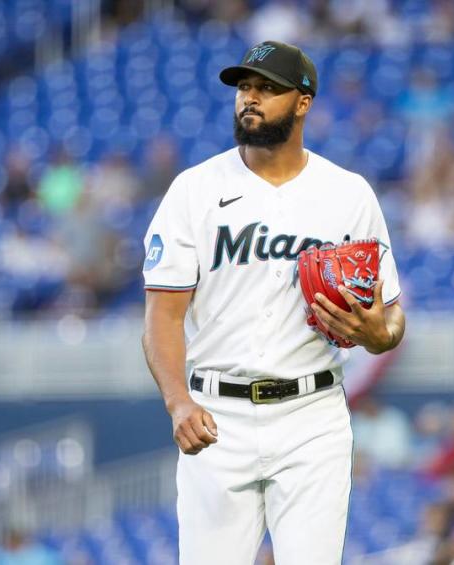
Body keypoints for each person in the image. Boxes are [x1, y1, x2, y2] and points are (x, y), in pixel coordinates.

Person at [141, 40, 405, 565]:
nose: (250, 98)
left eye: (267, 88)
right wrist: (177, 402)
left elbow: (391, 314)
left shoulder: (348, 194)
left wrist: (380, 335)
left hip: (313, 415)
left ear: (303, 102)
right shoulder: (194, 191)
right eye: (244, 87)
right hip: (216, 416)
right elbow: (161, 319)